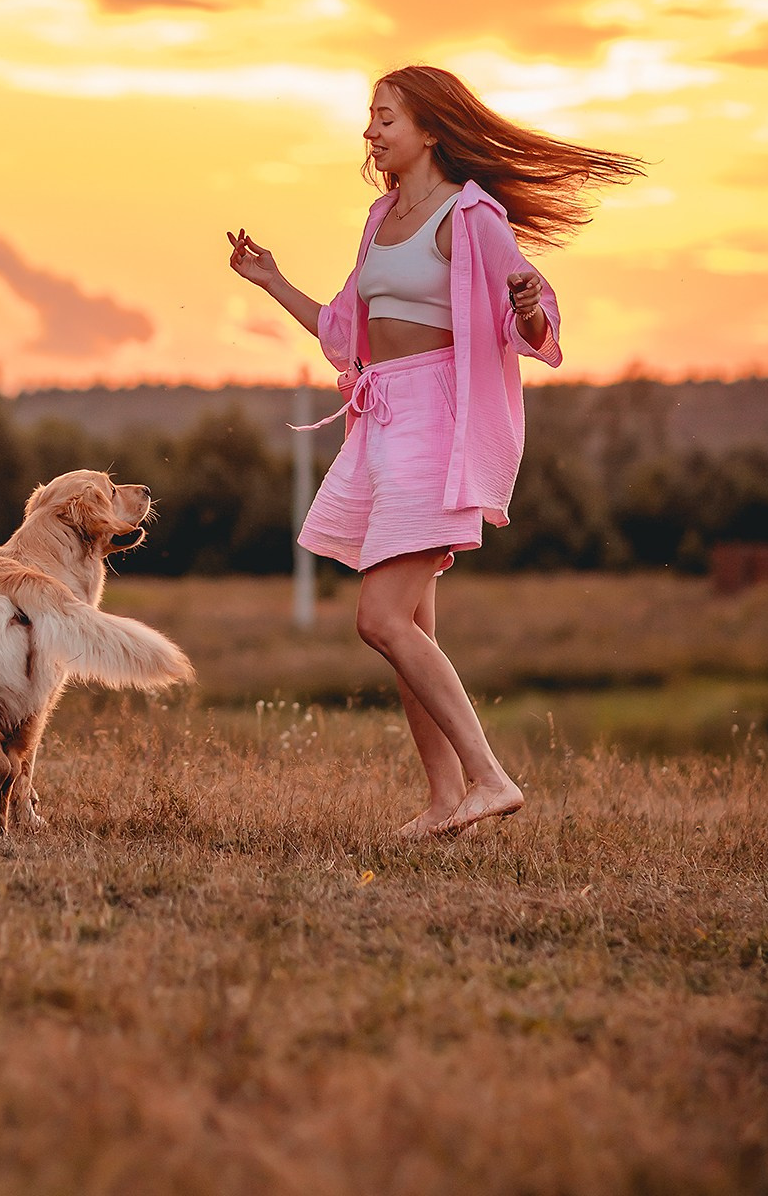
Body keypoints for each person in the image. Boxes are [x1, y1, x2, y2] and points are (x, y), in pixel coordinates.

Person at [227, 64, 645, 839]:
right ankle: (446, 799)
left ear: (430, 129)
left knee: (379, 618)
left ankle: (490, 777)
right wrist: (270, 280)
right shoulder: (381, 217)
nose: (371, 130)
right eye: (370, 117)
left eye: (386, 116)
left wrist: (524, 309)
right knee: (412, 625)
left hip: (435, 423)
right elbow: (341, 333)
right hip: (381, 423)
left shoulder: (471, 216)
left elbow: (535, 315)